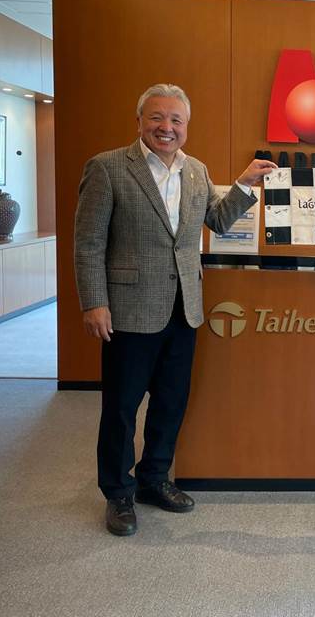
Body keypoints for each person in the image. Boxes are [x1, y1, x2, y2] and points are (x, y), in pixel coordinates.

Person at [74, 83, 276, 537]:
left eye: (176, 120)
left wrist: (244, 184)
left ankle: (154, 479)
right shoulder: (108, 168)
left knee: (170, 402)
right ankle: (118, 493)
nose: (167, 127)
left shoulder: (196, 171)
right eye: (157, 118)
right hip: (127, 309)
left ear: (186, 126)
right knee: (122, 408)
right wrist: (95, 302)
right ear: (140, 120)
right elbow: (87, 243)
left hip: (185, 309)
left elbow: (219, 221)